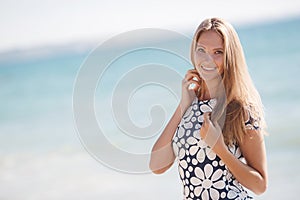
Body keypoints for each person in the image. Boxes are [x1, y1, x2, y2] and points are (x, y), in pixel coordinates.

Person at [149, 17, 268, 200]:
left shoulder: (240, 109)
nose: (208, 60)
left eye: (217, 52)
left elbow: (259, 185)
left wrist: (219, 148)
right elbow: (157, 165)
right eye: (201, 50)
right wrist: (183, 106)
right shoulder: (190, 106)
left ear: (230, 56)